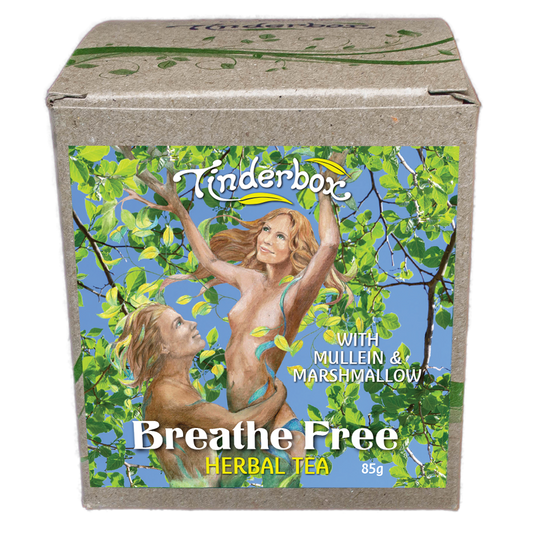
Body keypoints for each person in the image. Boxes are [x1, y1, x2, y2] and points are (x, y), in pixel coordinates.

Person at [160, 152, 352, 486]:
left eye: (280, 237)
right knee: (218, 497)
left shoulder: (295, 293)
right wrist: (180, 211)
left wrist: (324, 193)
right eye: (266, 229)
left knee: (285, 498)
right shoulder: (249, 280)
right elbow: (208, 260)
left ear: (294, 248)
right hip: (240, 418)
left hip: (274, 419)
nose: (266, 239)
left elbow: (330, 244)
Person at [115, 302, 288, 488]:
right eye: (178, 324)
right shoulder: (167, 394)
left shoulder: (175, 386)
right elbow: (241, 425)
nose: (193, 323)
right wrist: (280, 393)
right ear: (163, 347)